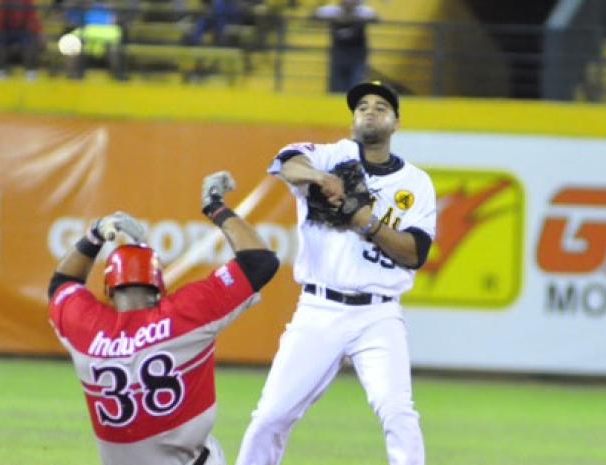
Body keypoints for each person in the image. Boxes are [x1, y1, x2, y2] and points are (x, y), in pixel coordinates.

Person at [235, 81, 436, 465]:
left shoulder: (416, 183)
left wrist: (368, 223)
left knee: (398, 414)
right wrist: (320, 178)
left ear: (396, 123)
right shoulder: (330, 156)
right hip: (319, 309)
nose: (370, 111)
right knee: (270, 417)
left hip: (379, 313)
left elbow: (415, 254)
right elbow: (287, 163)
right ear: (352, 121)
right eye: (362, 106)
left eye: (381, 106)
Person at [48, 171, 279, 465]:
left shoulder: (87, 327)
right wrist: (215, 207)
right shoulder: (187, 311)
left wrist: (94, 235)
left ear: (109, 288)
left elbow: (61, 284)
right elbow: (260, 261)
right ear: (158, 286)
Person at [312, 0, 378, 93]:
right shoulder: (333, 11)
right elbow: (315, 16)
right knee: (337, 84)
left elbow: (375, 19)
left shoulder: (363, 12)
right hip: (339, 53)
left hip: (357, 54)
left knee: (355, 83)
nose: (349, 3)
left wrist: (353, 18)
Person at [0, 0, 43, 80]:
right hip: (7, 32)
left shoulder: (27, 2)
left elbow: (33, 20)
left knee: (31, 41)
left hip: (24, 32)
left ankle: (30, 72)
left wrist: (37, 33)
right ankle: (0, 71)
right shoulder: (4, 2)